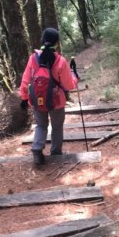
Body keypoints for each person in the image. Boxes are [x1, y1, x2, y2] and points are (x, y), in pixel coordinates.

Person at [19, 28, 78, 166]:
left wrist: (24, 98)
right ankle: (56, 152)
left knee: (41, 125)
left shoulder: (33, 58)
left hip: (37, 100)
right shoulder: (61, 61)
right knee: (57, 127)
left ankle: (37, 148)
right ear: (56, 43)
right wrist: (75, 77)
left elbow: (25, 80)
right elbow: (68, 85)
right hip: (56, 101)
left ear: (42, 40)